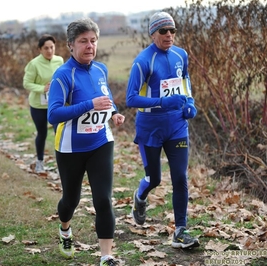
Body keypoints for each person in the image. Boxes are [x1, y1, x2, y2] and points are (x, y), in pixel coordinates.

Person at [47, 18, 125, 266]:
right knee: (71, 199)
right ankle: (65, 229)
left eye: (93, 40)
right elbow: (54, 114)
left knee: (103, 198)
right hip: (71, 147)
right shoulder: (63, 74)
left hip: (101, 141)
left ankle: (106, 256)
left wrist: (114, 113)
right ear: (71, 45)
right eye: (83, 41)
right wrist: (88, 105)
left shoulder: (100, 69)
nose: (89, 46)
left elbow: (106, 97)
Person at [126, 11, 199, 249]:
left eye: (172, 30)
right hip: (150, 129)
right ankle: (140, 197)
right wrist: (160, 102)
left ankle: (180, 231)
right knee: (154, 178)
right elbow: (131, 98)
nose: (169, 35)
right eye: (163, 31)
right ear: (153, 33)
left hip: (177, 126)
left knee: (180, 177)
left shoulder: (181, 54)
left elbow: (184, 80)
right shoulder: (143, 61)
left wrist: (189, 102)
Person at [23, 34, 64, 173]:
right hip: (39, 105)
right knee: (42, 133)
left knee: (59, 133)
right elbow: (26, 83)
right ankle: (40, 162)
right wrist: (42, 88)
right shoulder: (34, 64)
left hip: (56, 105)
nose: (49, 51)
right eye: (46, 48)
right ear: (40, 49)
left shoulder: (59, 60)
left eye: (52, 47)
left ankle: (61, 165)